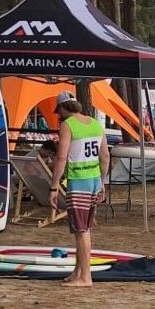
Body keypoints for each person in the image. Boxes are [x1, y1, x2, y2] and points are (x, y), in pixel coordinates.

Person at [50, 92, 109, 286]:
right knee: (83, 228)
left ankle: (85, 277)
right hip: (94, 180)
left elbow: (61, 157)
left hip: (78, 181)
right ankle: (78, 271)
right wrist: (102, 182)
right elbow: (105, 156)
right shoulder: (95, 124)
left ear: (62, 108)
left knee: (81, 230)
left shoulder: (68, 126)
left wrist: (54, 186)